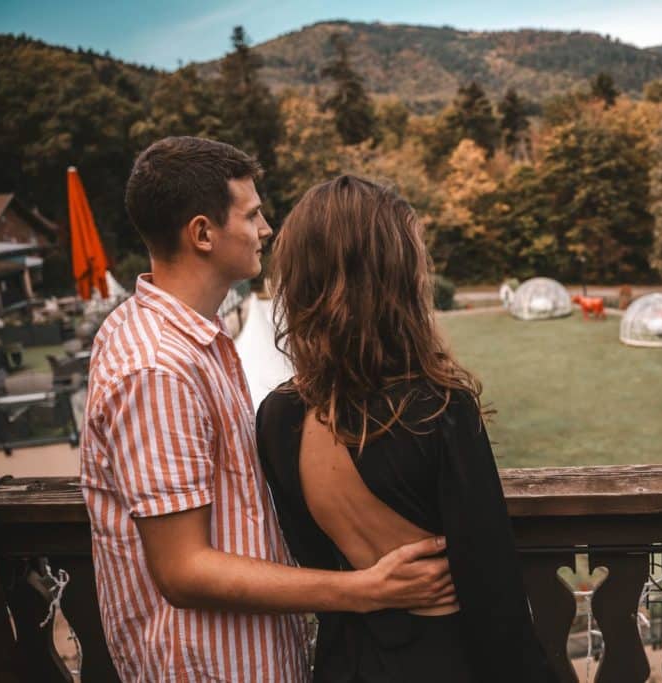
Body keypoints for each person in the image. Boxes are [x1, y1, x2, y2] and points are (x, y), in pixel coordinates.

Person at [80, 137, 456, 682]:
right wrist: (363, 590)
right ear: (203, 233)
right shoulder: (156, 368)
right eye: (252, 214)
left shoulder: (187, 340)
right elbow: (182, 570)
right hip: (208, 669)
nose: (267, 229)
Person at [258, 175, 555, 682]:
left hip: (344, 662)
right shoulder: (436, 408)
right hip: (444, 661)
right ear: (395, 278)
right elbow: (493, 591)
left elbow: (311, 556)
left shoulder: (276, 415)